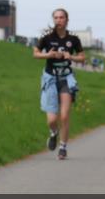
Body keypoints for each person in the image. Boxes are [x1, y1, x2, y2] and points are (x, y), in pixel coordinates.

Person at [34, 9, 85, 160]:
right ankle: (54, 133)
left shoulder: (73, 39)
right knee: (51, 120)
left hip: (66, 78)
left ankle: (63, 147)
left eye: (61, 17)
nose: (58, 20)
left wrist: (72, 57)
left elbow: (82, 57)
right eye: (56, 17)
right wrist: (47, 55)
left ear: (67, 19)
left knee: (64, 116)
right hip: (50, 78)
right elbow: (35, 53)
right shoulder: (47, 37)